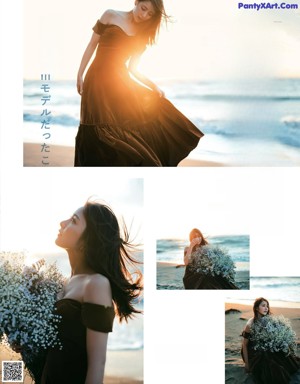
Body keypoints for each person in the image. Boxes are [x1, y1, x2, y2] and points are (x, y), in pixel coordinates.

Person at [75, 0, 204, 166]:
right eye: (143, 9)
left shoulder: (143, 35)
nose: (144, 16)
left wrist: (153, 86)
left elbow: (133, 68)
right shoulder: (110, 15)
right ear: (136, 2)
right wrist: (80, 74)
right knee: (95, 127)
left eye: (150, 14)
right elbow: (92, 44)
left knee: (124, 127)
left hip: (119, 86)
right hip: (96, 83)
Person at [41, 201, 143, 384]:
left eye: (73, 220)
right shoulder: (65, 282)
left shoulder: (96, 284)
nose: (62, 223)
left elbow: (97, 364)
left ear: (89, 239)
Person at [241, 297, 300, 384]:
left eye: (267, 306)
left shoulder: (269, 320)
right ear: (257, 308)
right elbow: (244, 345)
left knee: (284, 357)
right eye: (263, 306)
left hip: (265, 347)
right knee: (271, 368)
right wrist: (247, 363)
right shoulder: (250, 324)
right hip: (253, 351)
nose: (266, 308)